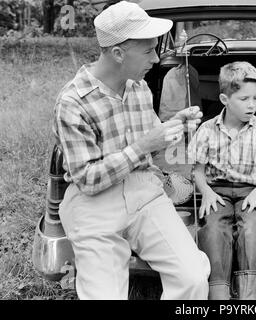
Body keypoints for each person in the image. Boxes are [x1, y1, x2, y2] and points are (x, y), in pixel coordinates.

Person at [54, 1, 210, 300]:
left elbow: (151, 142)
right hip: (93, 204)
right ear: (117, 53)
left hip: (145, 193)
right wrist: (145, 145)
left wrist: (174, 125)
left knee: (193, 278)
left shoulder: (140, 88)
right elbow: (87, 179)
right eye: (148, 50)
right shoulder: (73, 102)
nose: (156, 57)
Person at [188, 61, 256, 300]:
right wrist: (206, 193)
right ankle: (217, 293)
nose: (252, 104)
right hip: (217, 190)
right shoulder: (206, 130)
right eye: (244, 99)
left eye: (255, 98)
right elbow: (197, 171)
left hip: (249, 190)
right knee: (212, 230)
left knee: (253, 228)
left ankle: (249, 295)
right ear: (224, 99)